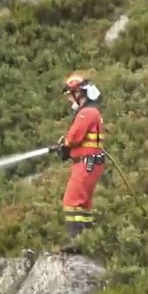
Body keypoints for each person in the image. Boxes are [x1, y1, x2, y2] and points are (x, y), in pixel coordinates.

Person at [53, 72, 106, 251]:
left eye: (71, 95)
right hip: (91, 163)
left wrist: (65, 146)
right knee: (84, 205)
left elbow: (74, 136)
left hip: (85, 163)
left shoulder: (87, 113)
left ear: (79, 93)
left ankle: (76, 243)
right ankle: (86, 241)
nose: (70, 100)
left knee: (72, 201)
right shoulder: (94, 112)